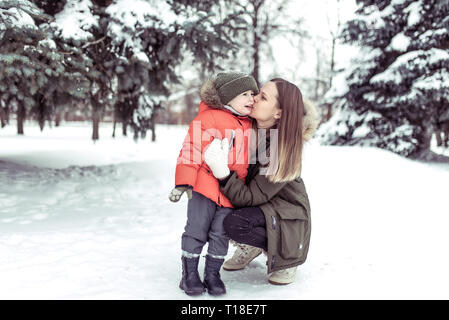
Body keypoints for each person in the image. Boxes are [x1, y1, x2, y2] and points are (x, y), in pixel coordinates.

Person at [203, 78, 318, 285]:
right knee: (217, 209)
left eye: (262, 97)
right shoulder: (248, 127)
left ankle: (285, 256)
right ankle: (254, 244)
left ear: (279, 113)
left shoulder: (282, 150)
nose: (254, 98)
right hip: (264, 205)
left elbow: (248, 197)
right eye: (258, 93)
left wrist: (221, 170)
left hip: (286, 218)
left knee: (235, 222)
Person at [168, 71, 259, 296]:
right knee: (197, 229)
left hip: (230, 189)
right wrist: (183, 182)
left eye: (253, 94)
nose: (252, 99)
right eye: (245, 94)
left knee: (220, 233)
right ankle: (189, 274)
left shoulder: (250, 125)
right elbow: (191, 150)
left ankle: (212, 274)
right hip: (203, 188)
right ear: (228, 97)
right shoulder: (208, 119)